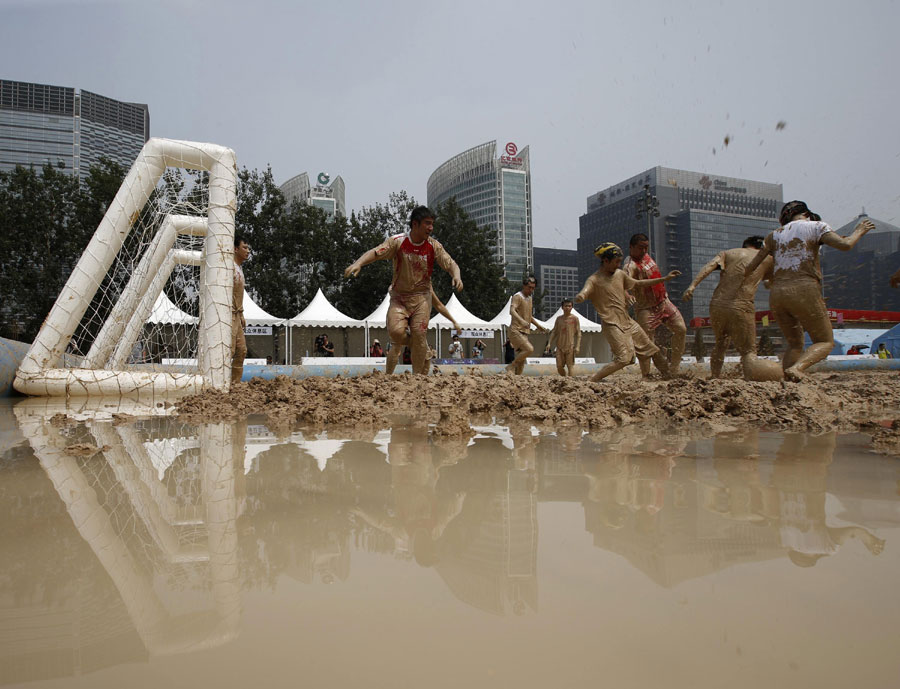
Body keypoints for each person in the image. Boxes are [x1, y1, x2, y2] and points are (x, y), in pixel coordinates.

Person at [745, 200, 875, 381]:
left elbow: (751, 267)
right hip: (804, 288)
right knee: (825, 341)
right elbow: (845, 245)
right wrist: (859, 230)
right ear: (806, 214)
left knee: (794, 343)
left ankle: (788, 384)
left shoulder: (773, 235)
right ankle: (797, 368)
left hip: (777, 294)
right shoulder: (816, 226)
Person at [345, 206, 462, 374]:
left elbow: (450, 263)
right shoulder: (398, 242)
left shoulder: (434, 246)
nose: (431, 228)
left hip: (422, 298)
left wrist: (456, 275)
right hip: (399, 298)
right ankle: (421, 349)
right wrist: (359, 263)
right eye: (427, 224)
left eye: (432, 224)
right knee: (396, 333)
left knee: (418, 332)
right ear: (415, 224)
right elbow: (376, 252)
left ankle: (416, 378)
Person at [575, 243, 680, 382]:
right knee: (624, 359)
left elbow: (638, 283)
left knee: (653, 350)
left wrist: (664, 279)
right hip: (612, 324)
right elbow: (585, 291)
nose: (618, 265)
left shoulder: (620, 275)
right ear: (605, 261)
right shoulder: (594, 280)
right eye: (616, 262)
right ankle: (593, 379)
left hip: (628, 322)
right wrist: (581, 297)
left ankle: (669, 377)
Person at [681, 236, 774, 379]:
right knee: (749, 351)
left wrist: (692, 286)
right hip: (741, 304)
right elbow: (771, 282)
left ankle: (715, 376)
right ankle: (751, 378)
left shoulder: (728, 253)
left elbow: (708, 267)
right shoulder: (766, 258)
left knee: (720, 344)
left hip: (717, 304)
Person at [622, 233, 687, 376]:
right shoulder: (629, 265)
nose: (644, 251)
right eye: (641, 248)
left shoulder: (646, 256)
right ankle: (646, 374)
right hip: (646, 309)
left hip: (663, 301)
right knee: (646, 343)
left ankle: (674, 368)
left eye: (646, 247)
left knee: (681, 329)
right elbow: (622, 282)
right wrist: (627, 295)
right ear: (631, 247)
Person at [507, 277, 549, 375]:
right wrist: (521, 321)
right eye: (529, 287)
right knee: (529, 349)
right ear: (524, 286)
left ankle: (516, 377)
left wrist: (538, 325)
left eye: (533, 288)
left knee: (522, 360)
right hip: (515, 330)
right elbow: (512, 311)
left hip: (524, 331)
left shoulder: (529, 298)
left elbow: (528, 316)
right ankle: (511, 366)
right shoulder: (517, 296)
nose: (531, 290)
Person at [231, 234, 250, 384]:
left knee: (241, 350)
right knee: (229, 350)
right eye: (244, 247)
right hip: (227, 315)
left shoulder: (239, 270)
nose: (248, 251)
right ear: (235, 249)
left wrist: (241, 313)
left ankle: (234, 383)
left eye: (248, 248)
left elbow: (238, 295)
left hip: (237, 314)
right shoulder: (229, 267)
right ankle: (220, 383)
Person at [548, 297, 582, 377]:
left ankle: (571, 382)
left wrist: (577, 346)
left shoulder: (574, 319)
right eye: (566, 306)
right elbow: (554, 332)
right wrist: (549, 343)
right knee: (559, 367)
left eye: (569, 306)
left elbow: (579, 333)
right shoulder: (559, 319)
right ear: (562, 307)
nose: (567, 308)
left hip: (570, 346)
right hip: (559, 346)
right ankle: (565, 378)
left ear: (572, 307)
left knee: (570, 366)